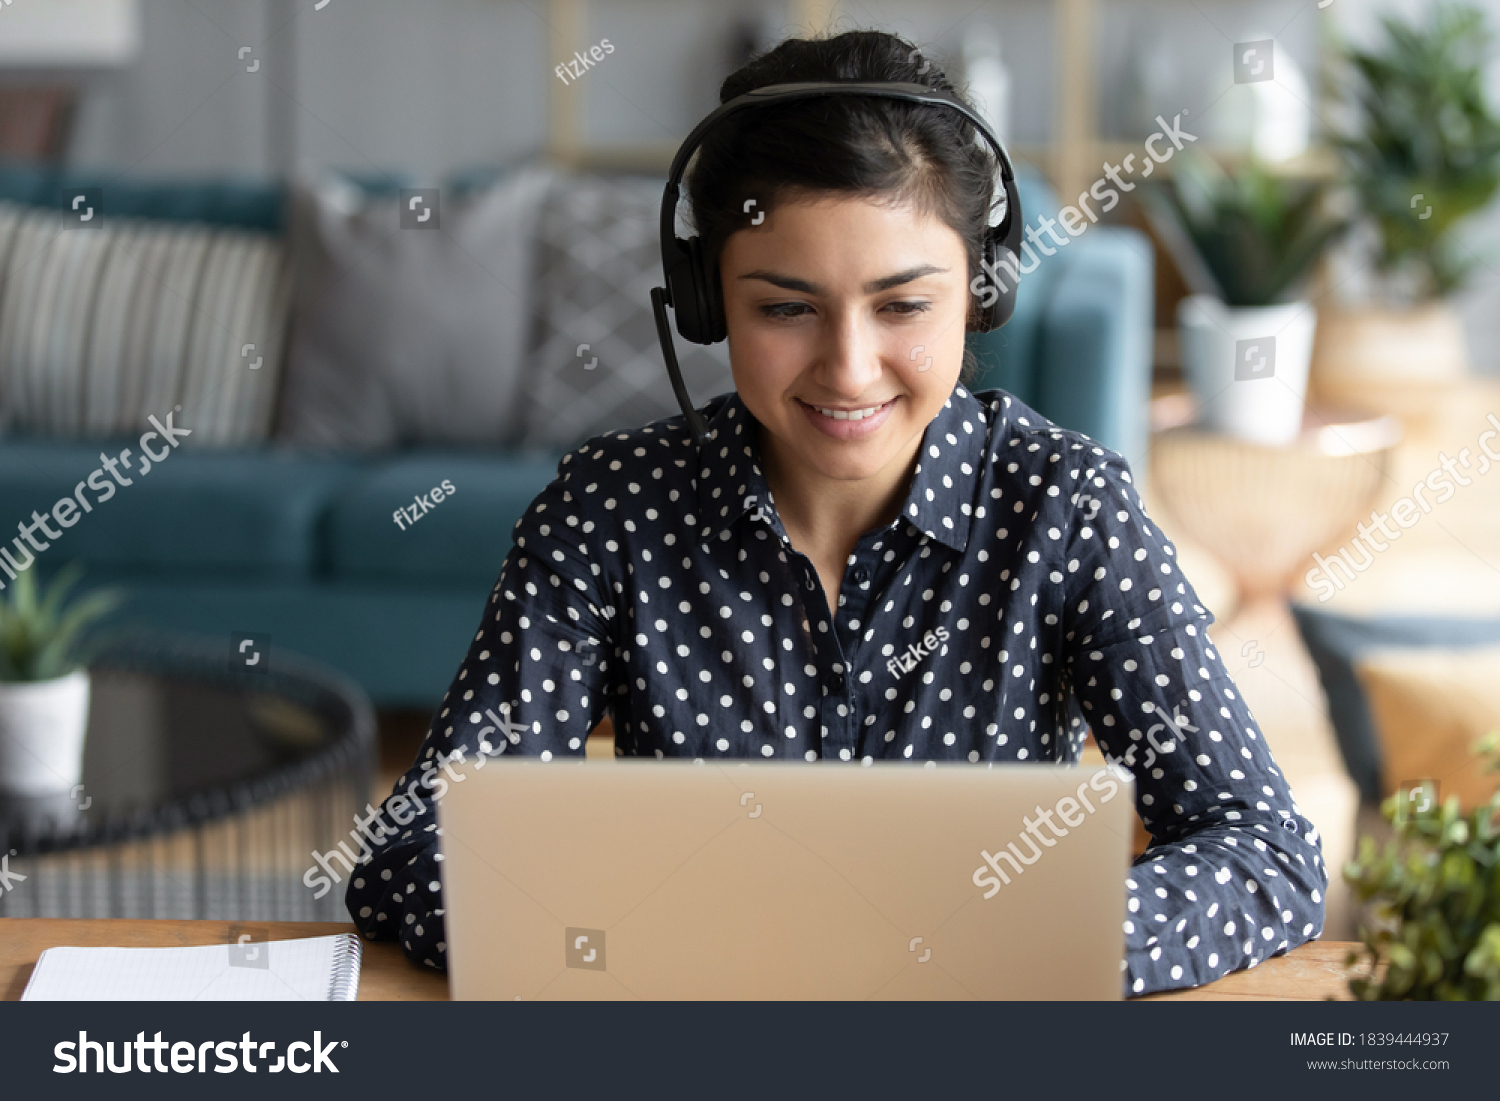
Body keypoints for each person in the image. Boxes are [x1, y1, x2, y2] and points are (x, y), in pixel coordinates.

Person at [347, 28, 1326, 997]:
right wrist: (662, 945)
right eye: (785, 308)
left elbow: (1263, 850)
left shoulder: (1068, 509)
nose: (850, 369)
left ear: (979, 296)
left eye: (903, 307)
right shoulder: (608, 511)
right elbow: (410, 850)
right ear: (706, 300)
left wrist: (1041, 946)